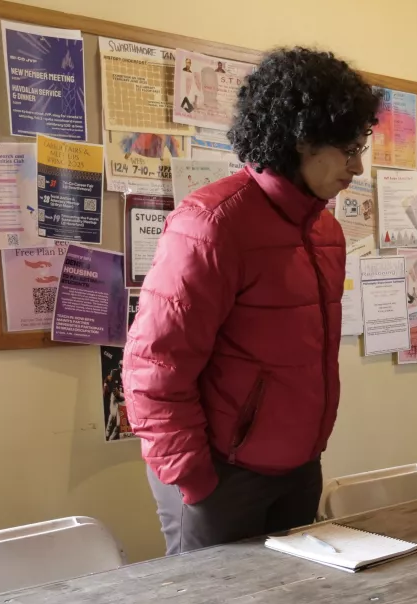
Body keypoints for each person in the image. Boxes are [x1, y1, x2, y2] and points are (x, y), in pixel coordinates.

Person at [124, 48, 380, 556]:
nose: (358, 165)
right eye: (348, 148)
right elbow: (153, 368)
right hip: (220, 478)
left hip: (299, 469)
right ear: (302, 138)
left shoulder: (326, 229)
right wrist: (194, 479)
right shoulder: (212, 225)